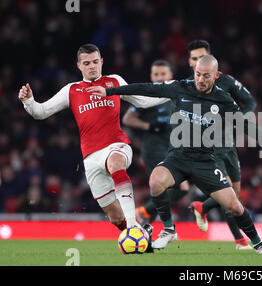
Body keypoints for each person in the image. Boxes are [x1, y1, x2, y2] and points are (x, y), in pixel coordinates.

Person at [87, 55, 262, 254]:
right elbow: (146, 88)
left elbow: (246, 124)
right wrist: (110, 91)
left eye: (206, 76)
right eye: (198, 74)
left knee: (235, 207)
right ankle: (169, 230)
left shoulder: (224, 100)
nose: (201, 80)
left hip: (205, 162)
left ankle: (259, 243)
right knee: (156, 181)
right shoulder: (180, 87)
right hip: (178, 157)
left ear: (216, 76)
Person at [18, 44, 168, 239]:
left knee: (115, 163)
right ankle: (142, 237)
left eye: (95, 62)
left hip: (117, 145)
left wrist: (174, 90)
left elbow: (143, 101)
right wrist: (28, 102)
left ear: (102, 62)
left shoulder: (114, 81)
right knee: (115, 217)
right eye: (87, 63)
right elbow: (41, 113)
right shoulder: (71, 90)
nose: (92, 66)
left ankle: (133, 226)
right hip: (90, 157)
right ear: (79, 65)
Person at [186, 40, 257, 250]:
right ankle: (241, 241)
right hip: (205, 149)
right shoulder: (185, 87)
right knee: (228, 194)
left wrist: (237, 120)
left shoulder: (225, 81)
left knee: (234, 197)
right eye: (194, 59)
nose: (198, 62)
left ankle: (202, 207)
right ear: (189, 62)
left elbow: (249, 102)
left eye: (202, 57)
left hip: (228, 145)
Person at [123, 60, 190, 225]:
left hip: (172, 149)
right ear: (151, 76)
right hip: (154, 149)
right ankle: (147, 215)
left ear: (170, 76)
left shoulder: (176, 95)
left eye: (163, 74)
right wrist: (150, 126)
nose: (159, 77)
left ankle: (145, 220)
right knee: (179, 188)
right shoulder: (147, 96)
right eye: (156, 74)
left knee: (170, 190)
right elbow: (127, 119)